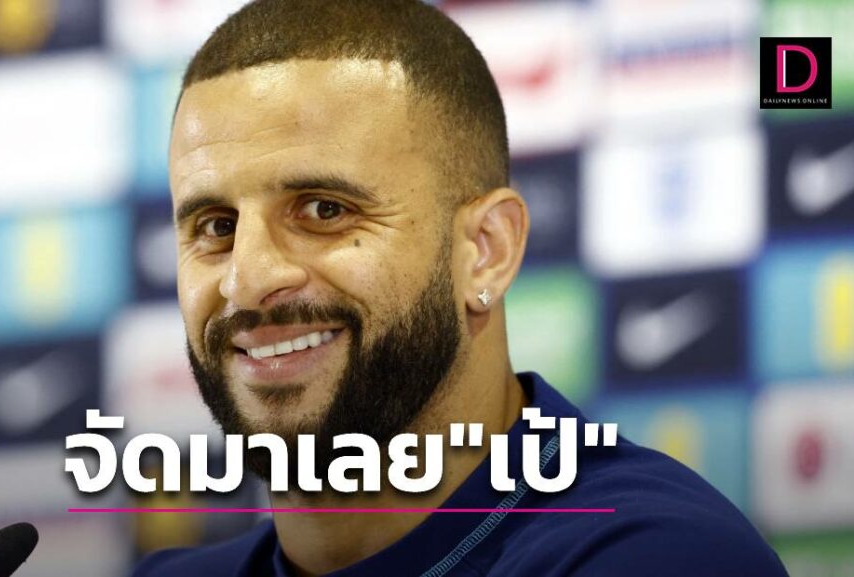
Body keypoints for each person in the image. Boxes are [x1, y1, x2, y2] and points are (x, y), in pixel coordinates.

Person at [134, 0, 789, 575]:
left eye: (324, 210)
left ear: (486, 251)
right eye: (215, 226)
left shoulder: (658, 558)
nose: (247, 279)